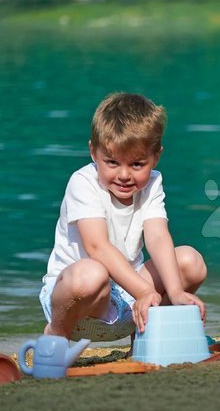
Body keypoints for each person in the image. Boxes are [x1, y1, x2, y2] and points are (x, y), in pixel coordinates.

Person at [39, 93, 207, 345]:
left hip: (131, 297)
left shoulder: (152, 184)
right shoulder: (83, 182)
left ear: (156, 157)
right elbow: (96, 246)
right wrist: (143, 290)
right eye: (112, 162)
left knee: (191, 261)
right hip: (80, 303)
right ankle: (56, 337)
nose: (125, 175)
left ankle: (145, 337)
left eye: (138, 164)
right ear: (93, 153)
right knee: (92, 273)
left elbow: (158, 235)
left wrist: (174, 291)